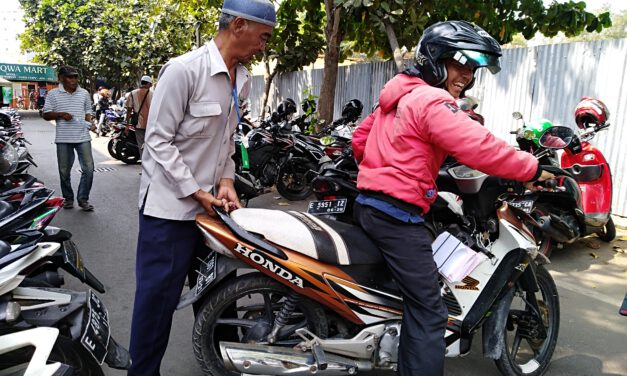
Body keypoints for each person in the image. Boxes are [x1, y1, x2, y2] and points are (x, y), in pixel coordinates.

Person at [351, 21, 554, 376]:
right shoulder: (432, 100)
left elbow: (359, 142)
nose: (467, 75)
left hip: (370, 203)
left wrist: (391, 161)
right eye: (460, 64)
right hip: (397, 214)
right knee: (430, 310)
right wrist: (533, 169)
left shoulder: (397, 97)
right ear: (435, 60)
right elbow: (479, 146)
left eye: (473, 69)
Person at [127, 0, 275, 374]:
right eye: (263, 37)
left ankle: (222, 368)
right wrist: (196, 191)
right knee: (156, 305)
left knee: (219, 299)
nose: (263, 47)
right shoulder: (183, 70)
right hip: (169, 212)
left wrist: (225, 180)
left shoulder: (241, 77)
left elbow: (225, 140)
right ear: (239, 25)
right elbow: (158, 142)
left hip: (210, 211)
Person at [42, 65, 97, 211]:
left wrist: (89, 123)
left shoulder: (84, 93)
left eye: (75, 77)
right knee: (64, 171)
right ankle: (68, 198)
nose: (74, 80)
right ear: (61, 78)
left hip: (83, 137)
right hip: (63, 138)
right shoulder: (53, 94)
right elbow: (46, 114)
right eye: (70, 77)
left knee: (89, 169)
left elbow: (88, 111)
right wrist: (60, 114)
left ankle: (83, 199)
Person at [125, 76, 153, 152]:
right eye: (151, 84)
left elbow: (129, 110)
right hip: (151, 124)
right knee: (151, 146)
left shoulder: (132, 93)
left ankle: (143, 162)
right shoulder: (154, 94)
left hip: (138, 124)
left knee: (141, 146)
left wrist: (127, 125)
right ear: (149, 84)